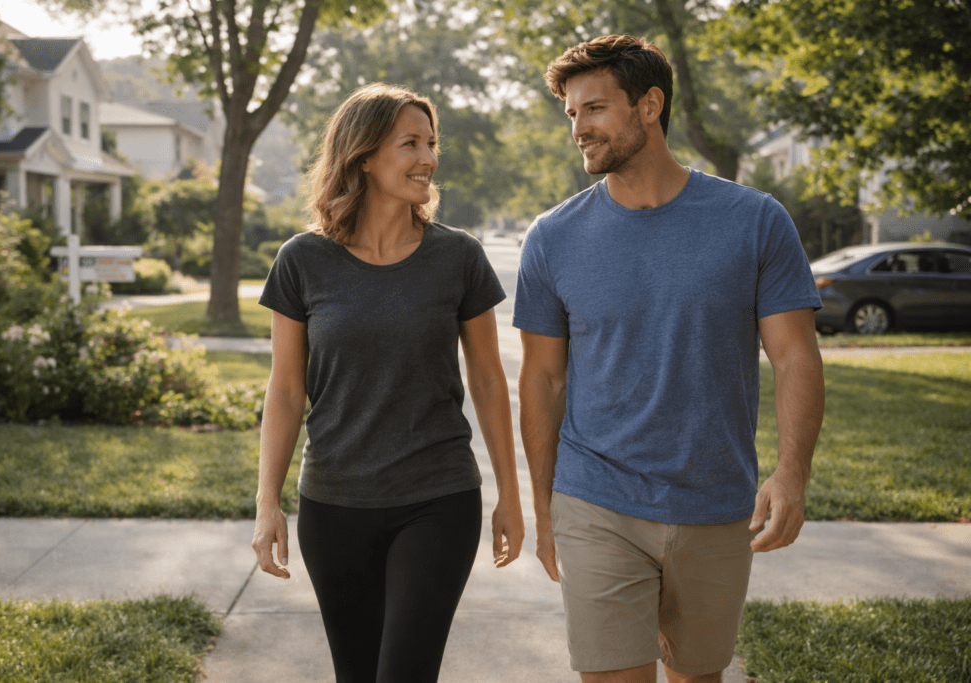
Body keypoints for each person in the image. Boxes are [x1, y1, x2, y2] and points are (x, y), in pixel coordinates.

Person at [513, 35, 824, 683]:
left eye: (594, 109)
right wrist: (543, 505)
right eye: (571, 114)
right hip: (596, 498)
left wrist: (791, 472)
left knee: (696, 676)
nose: (579, 129)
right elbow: (541, 378)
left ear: (649, 105)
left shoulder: (755, 221)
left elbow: (795, 355)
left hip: (714, 501)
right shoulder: (553, 238)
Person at [251, 83, 524, 683]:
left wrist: (510, 491)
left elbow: (486, 378)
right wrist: (267, 502)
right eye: (410, 143)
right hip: (334, 503)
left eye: (431, 143)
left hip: (438, 500)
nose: (428, 157)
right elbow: (287, 390)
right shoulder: (302, 260)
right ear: (364, 156)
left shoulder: (458, 257)